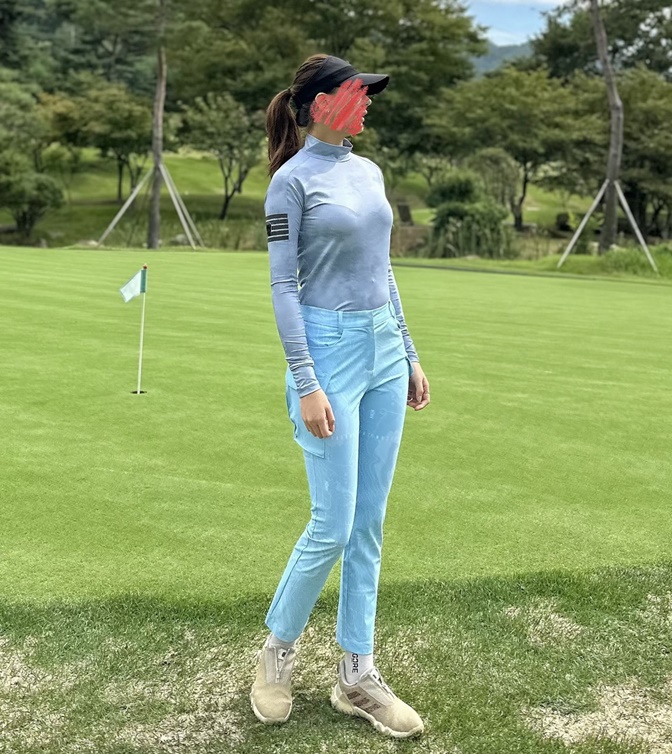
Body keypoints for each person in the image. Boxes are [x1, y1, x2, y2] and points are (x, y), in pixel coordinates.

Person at [250, 53, 430, 739]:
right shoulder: (290, 183)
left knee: (369, 523)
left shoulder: (369, 171)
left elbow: (384, 270)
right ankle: (276, 655)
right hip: (327, 352)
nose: (370, 102)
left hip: (383, 348)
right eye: (361, 92)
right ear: (324, 103)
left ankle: (357, 675)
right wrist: (307, 381)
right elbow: (282, 287)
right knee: (332, 524)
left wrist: (408, 352)